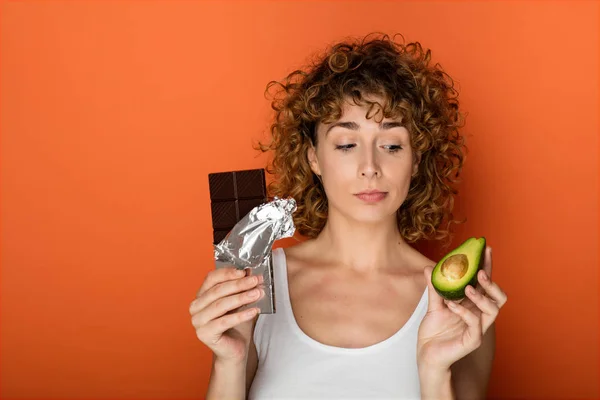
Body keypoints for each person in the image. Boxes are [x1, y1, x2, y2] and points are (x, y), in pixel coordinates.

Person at [189, 32, 507, 400]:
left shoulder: (459, 305)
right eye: (346, 144)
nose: (369, 167)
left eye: (391, 145)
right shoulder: (254, 286)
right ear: (313, 158)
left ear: (416, 160)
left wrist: (434, 375)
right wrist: (229, 360)